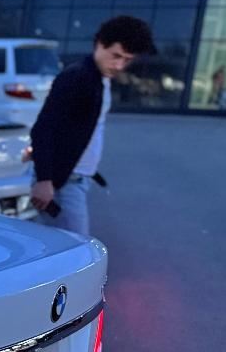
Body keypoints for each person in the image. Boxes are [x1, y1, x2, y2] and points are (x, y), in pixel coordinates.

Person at [28, 15, 155, 237]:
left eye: (127, 60)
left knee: (60, 248)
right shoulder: (78, 77)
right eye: (116, 56)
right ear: (99, 44)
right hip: (62, 183)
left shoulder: (100, 78)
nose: (119, 65)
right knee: (77, 250)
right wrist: (44, 179)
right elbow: (43, 128)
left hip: (75, 179)